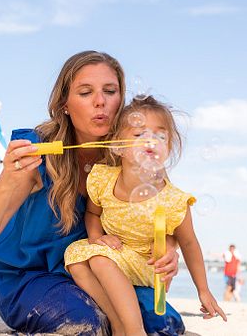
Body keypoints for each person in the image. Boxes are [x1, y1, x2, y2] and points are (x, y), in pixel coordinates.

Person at [0, 51, 186, 335]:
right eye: (85, 92)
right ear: (65, 105)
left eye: (111, 91)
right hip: (29, 277)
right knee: (87, 325)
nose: (100, 101)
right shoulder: (38, 152)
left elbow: (161, 215)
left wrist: (168, 249)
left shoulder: (133, 156)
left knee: (166, 325)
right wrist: (9, 179)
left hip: (95, 272)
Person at [64, 96, 227, 335]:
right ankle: (117, 322)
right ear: (118, 146)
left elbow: (190, 242)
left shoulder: (172, 200)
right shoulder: (103, 179)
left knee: (99, 259)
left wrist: (203, 290)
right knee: (75, 259)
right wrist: (97, 237)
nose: (150, 140)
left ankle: (134, 329)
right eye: (139, 135)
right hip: (116, 254)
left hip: (148, 264)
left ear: (168, 148)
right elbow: (92, 212)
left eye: (160, 136)